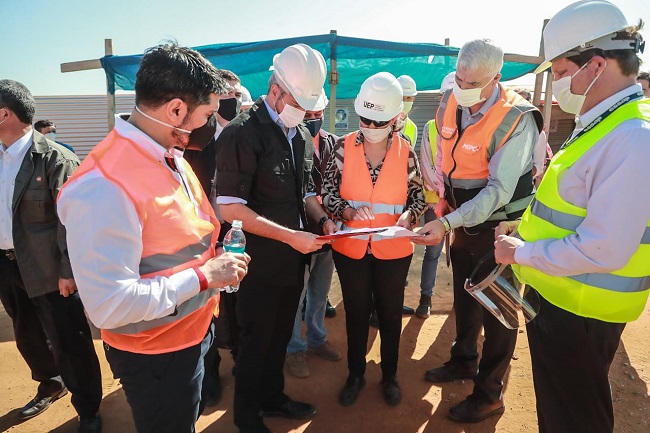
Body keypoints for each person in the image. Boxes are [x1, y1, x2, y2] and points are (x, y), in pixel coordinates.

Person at [57, 44, 250, 433]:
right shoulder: (103, 186)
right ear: (176, 110)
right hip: (156, 354)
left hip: (191, 333)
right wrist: (205, 276)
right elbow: (110, 306)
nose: (211, 126)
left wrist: (215, 254)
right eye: (208, 115)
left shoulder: (169, 153)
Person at [494, 2, 650, 432]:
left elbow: (604, 248)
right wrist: (525, 226)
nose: (558, 83)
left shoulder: (632, 138)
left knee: (575, 419)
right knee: (559, 410)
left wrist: (520, 252)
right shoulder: (603, 124)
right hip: (560, 299)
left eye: (561, 72)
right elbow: (573, 206)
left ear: (596, 65)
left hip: (581, 312)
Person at [412, 39, 543, 422]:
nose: (462, 88)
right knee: (465, 296)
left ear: (496, 79)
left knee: (499, 310)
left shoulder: (516, 118)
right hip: (460, 219)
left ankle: (489, 395)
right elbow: (444, 155)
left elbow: (498, 190)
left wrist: (447, 221)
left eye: (472, 83)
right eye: (458, 78)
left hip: (498, 228)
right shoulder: (448, 101)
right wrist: (443, 198)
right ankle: (463, 360)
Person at [215, 43, 334, 433]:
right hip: (257, 264)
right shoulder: (241, 135)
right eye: (299, 102)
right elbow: (231, 209)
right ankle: (248, 418)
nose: (305, 112)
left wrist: (322, 220)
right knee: (255, 342)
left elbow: (305, 193)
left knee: (280, 335)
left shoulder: (298, 134)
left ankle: (272, 397)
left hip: (292, 261)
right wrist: (290, 237)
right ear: (276, 89)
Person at [0, 80, 102, 433]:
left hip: (50, 270)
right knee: (27, 335)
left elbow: (75, 222)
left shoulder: (56, 159)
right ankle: (51, 382)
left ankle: (88, 409)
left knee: (69, 340)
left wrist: (69, 271)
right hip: (7, 266)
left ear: (4, 114)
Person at [322, 72, 426, 407]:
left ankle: (390, 375)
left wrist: (410, 216)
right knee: (356, 312)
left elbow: (418, 196)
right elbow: (327, 192)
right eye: (365, 119)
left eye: (378, 121)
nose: (370, 126)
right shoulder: (342, 147)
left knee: (391, 313)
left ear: (395, 118)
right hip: (351, 247)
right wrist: (347, 212)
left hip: (393, 250)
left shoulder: (406, 152)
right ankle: (355, 375)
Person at [184, 68, 244, 407]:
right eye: (227, 95)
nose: (233, 100)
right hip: (205, 239)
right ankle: (210, 373)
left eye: (237, 95)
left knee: (240, 303)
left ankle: (241, 358)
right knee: (208, 308)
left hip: (240, 234)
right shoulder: (196, 138)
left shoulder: (245, 134)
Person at [285, 108, 342, 378]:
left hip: (329, 232)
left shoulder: (334, 143)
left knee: (320, 292)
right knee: (296, 295)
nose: (313, 119)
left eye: (317, 113)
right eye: (307, 114)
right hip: (301, 233)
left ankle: (317, 338)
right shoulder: (289, 142)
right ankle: (295, 348)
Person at [415, 73, 455, 319]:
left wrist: (455, 198)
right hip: (435, 204)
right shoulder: (431, 127)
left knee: (461, 254)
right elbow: (427, 166)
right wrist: (443, 196)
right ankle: (425, 298)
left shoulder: (471, 127)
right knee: (432, 252)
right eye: (446, 96)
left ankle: (463, 298)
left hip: (462, 206)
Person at [397, 75, 418, 146]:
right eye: (401, 98)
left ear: (413, 99)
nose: (404, 101)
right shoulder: (382, 123)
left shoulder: (413, 127)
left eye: (408, 98)